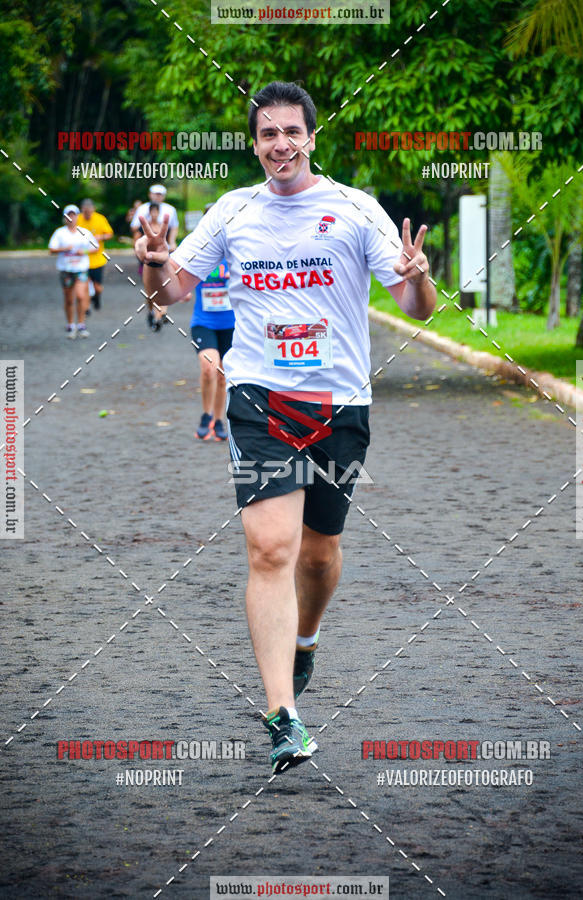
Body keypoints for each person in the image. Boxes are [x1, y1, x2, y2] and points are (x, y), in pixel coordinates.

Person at [135, 81, 436, 774]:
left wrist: (420, 277)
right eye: (267, 134)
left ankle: (306, 638)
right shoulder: (233, 211)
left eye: (291, 132)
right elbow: (172, 291)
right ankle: (282, 716)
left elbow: (416, 307)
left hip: (339, 404)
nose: (280, 144)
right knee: (271, 549)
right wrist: (153, 264)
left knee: (319, 554)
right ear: (255, 144)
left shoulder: (356, 209)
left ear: (311, 136)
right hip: (259, 399)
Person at [191, 204, 235, 442]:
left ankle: (218, 420)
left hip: (231, 324)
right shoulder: (197, 252)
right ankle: (205, 414)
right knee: (210, 368)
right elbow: (175, 280)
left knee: (222, 374)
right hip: (204, 322)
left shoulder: (237, 250)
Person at [49, 205, 94, 338]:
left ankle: (81, 324)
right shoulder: (60, 233)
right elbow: (51, 249)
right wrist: (64, 249)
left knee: (80, 296)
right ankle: (70, 324)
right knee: (69, 299)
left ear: (77, 216)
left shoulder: (84, 232)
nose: (71, 218)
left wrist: (83, 251)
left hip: (81, 269)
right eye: (68, 215)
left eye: (74, 215)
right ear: (65, 217)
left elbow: (95, 247)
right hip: (66, 270)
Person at [77, 199, 113, 311]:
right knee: (85, 286)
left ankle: (96, 297)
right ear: (82, 209)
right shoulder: (78, 220)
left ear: (93, 209)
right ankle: (86, 308)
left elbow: (109, 234)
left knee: (98, 287)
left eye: (89, 211)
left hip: (98, 259)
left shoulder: (100, 219)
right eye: (85, 211)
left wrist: (100, 237)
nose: (87, 213)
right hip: (83, 259)